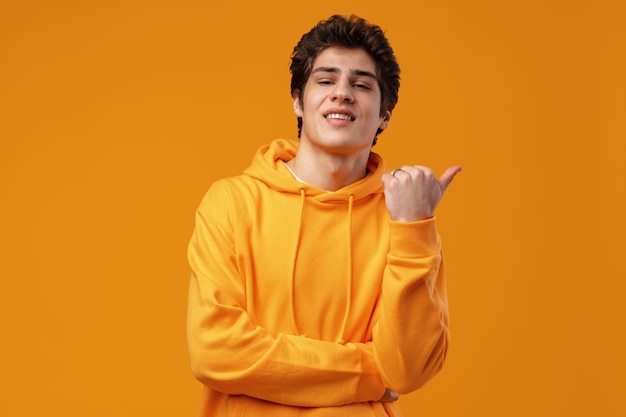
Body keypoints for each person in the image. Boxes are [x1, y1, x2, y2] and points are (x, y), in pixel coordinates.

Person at [186, 14, 462, 417]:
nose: (343, 94)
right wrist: (370, 372)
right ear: (298, 100)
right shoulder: (231, 202)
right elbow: (215, 350)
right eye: (326, 80)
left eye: (362, 85)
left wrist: (414, 229)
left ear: (384, 115)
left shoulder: (405, 216)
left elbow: (407, 370)